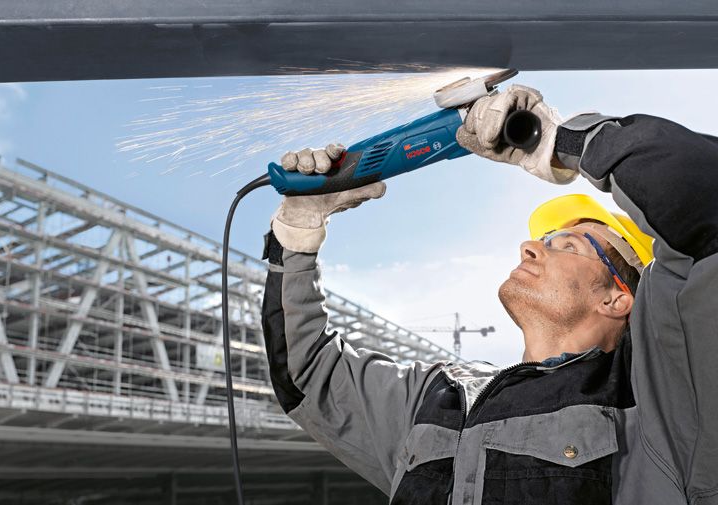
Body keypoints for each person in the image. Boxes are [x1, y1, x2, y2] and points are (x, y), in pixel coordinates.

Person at [260, 85, 718, 504]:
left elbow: (703, 209)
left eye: (569, 245)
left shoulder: (662, 402)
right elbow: (307, 376)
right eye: (544, 238)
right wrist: (296, 237)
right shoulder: (438, 396)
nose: (531, 246)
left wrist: (558, 141)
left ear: (617, 300)